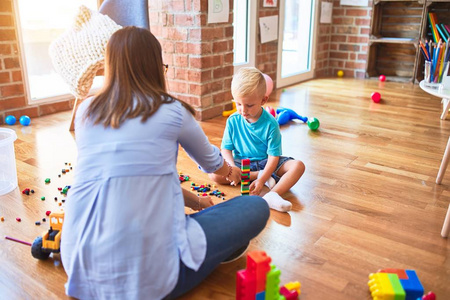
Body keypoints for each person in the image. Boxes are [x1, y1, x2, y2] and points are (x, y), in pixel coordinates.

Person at [60, 26, 270, 300]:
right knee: (255, 207)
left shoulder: (87, 111)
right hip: (150, 282)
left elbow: (129, 178)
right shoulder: (172, 111)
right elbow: (212, 163)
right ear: (155, 67)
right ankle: (208, 255)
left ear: (110, 66)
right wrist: (235, 174)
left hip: (77, 263)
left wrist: (195, 202)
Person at [209, 67, 305, 213]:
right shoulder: (233, 120)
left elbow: (274, 157)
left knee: (298, 166)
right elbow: (226, 148)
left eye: (249, 105)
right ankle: (258, 176)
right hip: (241, 163)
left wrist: (261, 180)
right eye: (238, 104)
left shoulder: (271, 123)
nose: (243, 110)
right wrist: (231, 168)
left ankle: (272, 194)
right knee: (214, 173)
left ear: (263, 100)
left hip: (266, 162)